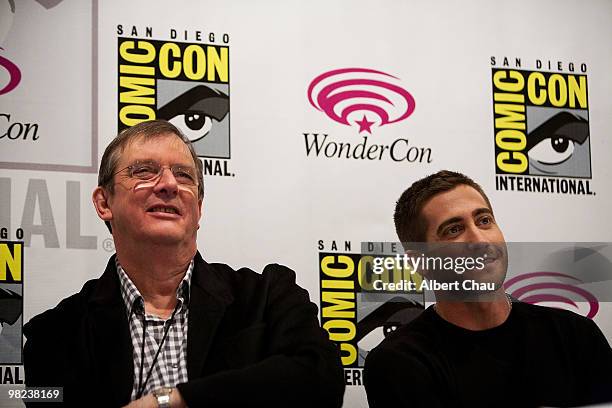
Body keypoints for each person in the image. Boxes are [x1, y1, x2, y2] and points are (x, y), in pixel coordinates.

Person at [23, 120, 344, 407]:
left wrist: (174, 400)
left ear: (199, 206)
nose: (169, 184)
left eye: (183, 175)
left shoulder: (267, 297)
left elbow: (322, 379)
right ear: (104, 202)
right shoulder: (53, 334)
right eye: (144, 171)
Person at [363, 170, 612, 407]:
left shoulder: (574, 335)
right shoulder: (400, 362)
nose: (480, 240)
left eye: (484, 221)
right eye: (454, 230)